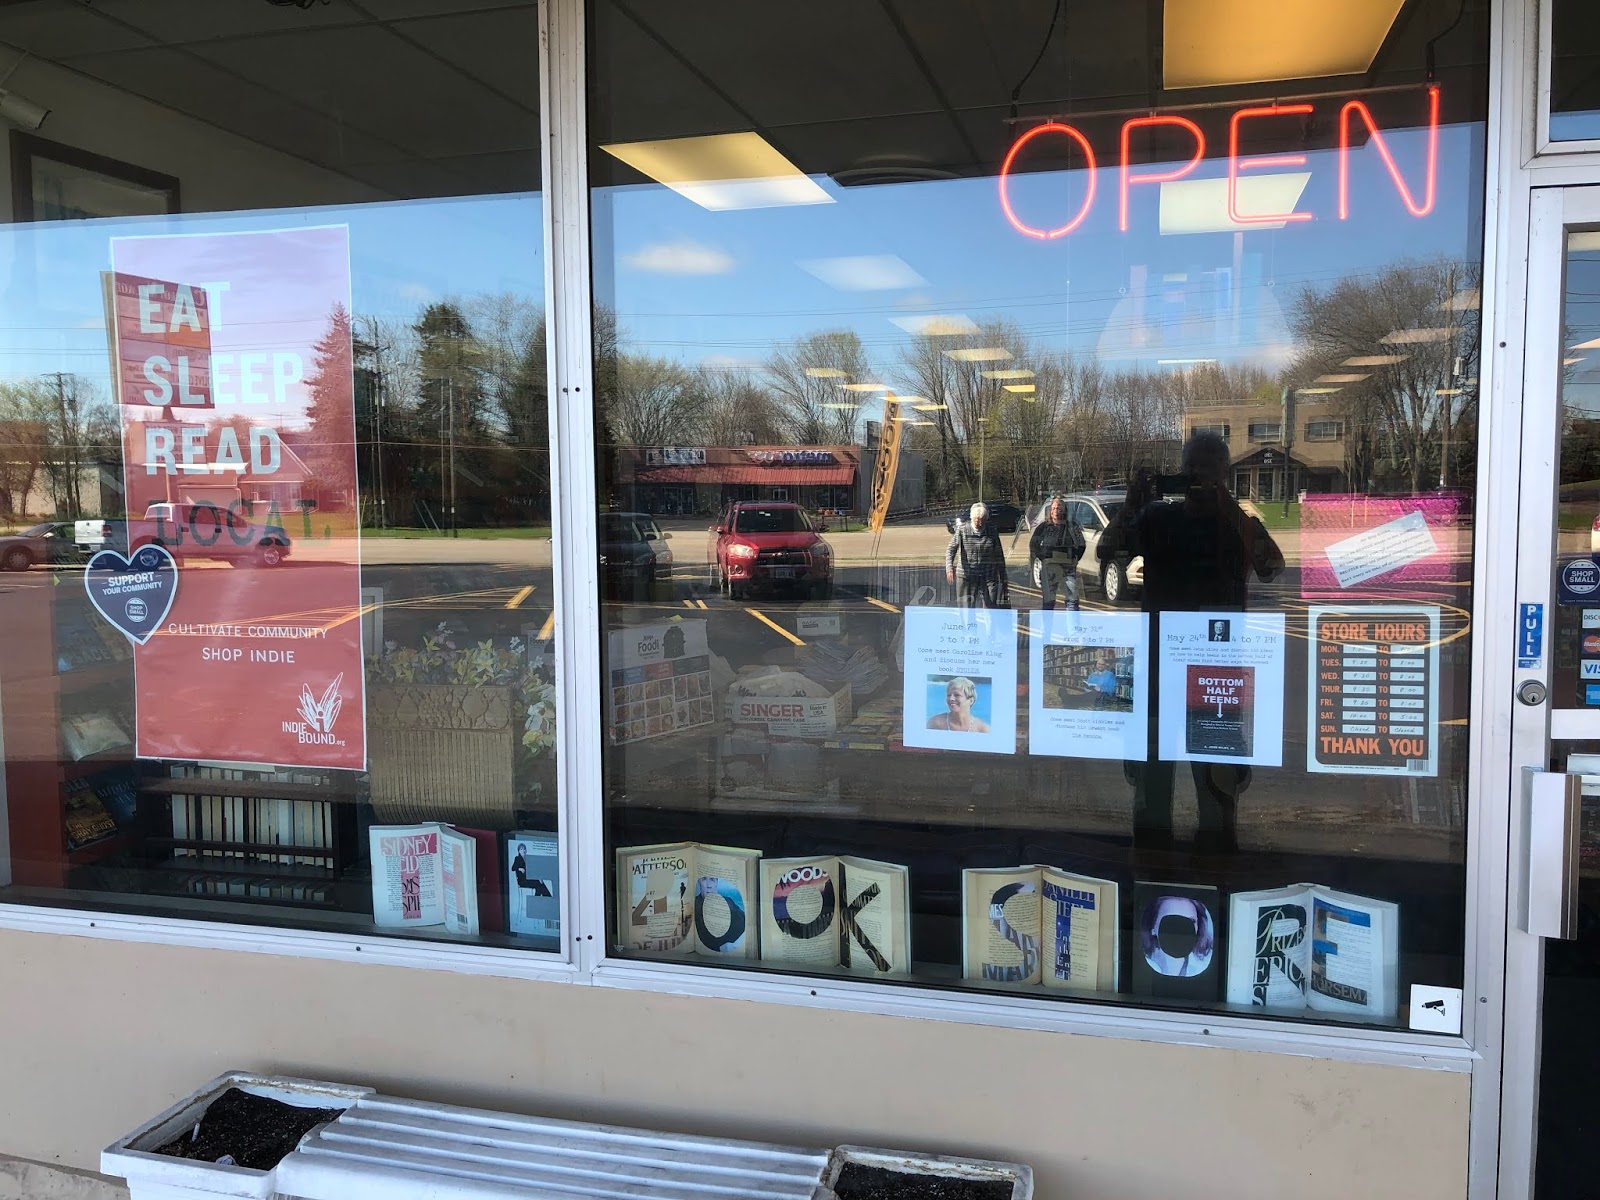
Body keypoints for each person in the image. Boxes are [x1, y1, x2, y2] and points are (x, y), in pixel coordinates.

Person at [1107, 432, 1285, 854]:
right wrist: (1134, 501)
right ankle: (1152, 865)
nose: (1200, 481)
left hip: (1215, 678)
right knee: (1151, 789)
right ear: (1182, 473)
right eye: (1193, 472)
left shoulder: (1237, 525)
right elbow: (1107, 550)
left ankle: (1216, 863)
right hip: (1158, 674)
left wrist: (1231, 511)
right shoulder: (1157, 519)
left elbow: (1272, 566)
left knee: (1218, 791)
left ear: (1225, 475)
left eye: (1211, 472)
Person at [945, 502, 1008, 608]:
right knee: (966, 610)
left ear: (986, 519)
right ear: (971, 518)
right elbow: (951, 549)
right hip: (967, 575)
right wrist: (949, 568)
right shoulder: (963, 530)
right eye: (976, 520)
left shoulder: (991, 531)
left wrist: (1003, 576)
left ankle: (989, 625)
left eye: (982, 521)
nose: (979, 523)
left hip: (987, 575)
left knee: (991, 608)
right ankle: (968, 625)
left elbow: (999, 554)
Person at [1028, 496, 1084, 610]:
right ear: (1050, 510)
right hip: (1049, 567)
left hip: (1068, 566)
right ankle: (1047, 627)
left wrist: (1075, 557)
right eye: (1053, 508)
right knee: (1048, 601)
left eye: (1059, 508)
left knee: (1072, 600)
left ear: (1064, 510)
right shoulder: (1043, 527)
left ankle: (1073, 628)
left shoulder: (1072, 527)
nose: (1056, 511)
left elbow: (1081, 544)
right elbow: (1034, 544)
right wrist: (1043, 557)